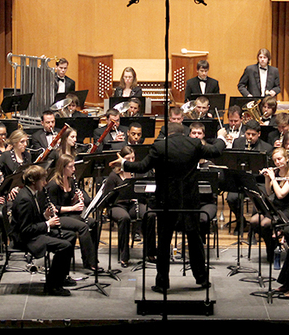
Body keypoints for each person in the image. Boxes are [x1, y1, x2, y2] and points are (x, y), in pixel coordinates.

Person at [110, 122, 224, 292]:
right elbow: (216, 151)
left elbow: (142, 167)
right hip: (188, 200)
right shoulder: (193, 144)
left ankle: (162, 283)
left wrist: (124, 164)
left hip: (166, 200)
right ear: (183, 132)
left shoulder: (159, 146)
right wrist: (221, 136)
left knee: (164, 241)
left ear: (167, 133)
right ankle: (202, 278)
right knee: (194, 240)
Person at [9, 165, 76, 296]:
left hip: (33, 233)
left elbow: (32, 220)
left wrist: (45, 216)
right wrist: (47, 223)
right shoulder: (25, 199)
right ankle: (52, 286)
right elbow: (25, 230)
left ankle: (60, 278)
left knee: (71, 236)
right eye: (43, 180)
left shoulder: (32, 193)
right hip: (25, 239)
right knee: (64, 246)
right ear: (33, 181)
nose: (45, 183)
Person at [104, 145, 154, 267]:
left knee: (150, 214)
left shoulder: (136, 174)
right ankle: (124, 256)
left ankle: (150, 253)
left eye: (133, 158)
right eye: (128, 158)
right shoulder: (113, 176)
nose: (131, 161)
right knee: (124, 218)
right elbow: (107, 199)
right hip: (117, 206)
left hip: (132, 204)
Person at [47, 154, 99, 271]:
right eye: (71, 167)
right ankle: (91, 263)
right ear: (63, 168)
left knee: (93, 223)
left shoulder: (70, 181)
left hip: (70, 216)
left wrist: (76, 199)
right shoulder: (53, 185)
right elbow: (53, 208)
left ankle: (89, 258)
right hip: (58, 218)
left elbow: (70, 201)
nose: (74, 169)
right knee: (83, 226)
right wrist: (73, 208)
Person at [251, 147, 289, 261]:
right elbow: (269, 193)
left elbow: (281, 194)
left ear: (286, 158)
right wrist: (267, 179)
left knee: (265, 224)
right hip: (277, 207)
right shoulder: (277, 172)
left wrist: (273, 178)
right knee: (254, 221)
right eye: (275, 160)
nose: (277, 162)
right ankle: (273, 243)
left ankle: (271, 249)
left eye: (279, 159)